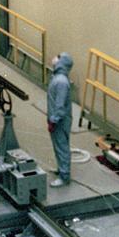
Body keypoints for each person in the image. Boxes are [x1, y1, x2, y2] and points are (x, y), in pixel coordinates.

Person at [46, 52, 74, 187]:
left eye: (58, 56)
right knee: (59, 146)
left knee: (62, 147)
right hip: (56, 119)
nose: (54, 58)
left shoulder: (61, 81)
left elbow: (60, 105)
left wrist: (53, 120)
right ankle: (61, 169)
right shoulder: (57, 78)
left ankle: (64, 177)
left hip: (59, 121)